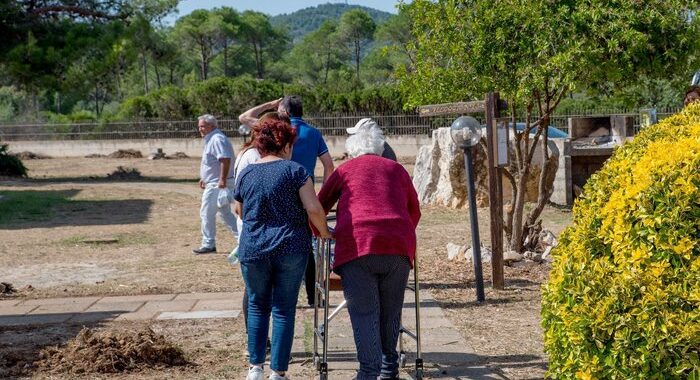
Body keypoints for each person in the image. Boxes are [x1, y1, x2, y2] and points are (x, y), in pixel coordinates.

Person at [317, 125, 421, 380]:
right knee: (390, 310)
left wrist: (324, 231)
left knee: (365, 312)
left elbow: (318, 207)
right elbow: (414, 209)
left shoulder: (345, 170)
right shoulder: (397, 169)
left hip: (358, 245)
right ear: (380, 148)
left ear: (352, 151)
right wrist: (400, 234)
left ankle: (368, 372)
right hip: (398, 246)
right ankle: (388, 369)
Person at [232, 117, 332, 380]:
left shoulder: (246, 173)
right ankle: (278, 371)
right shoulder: (296, 172)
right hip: (290, 247)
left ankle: (255, 368)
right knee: (283, 309)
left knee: (257, 305)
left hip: (253, 248)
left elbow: (239, 211)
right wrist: (324, 233)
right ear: (286, 144)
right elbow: (313, 208)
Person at [240, 95, 335, 307]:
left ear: (284, 112)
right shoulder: (313, 133)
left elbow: (244, 117)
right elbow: (329, 165)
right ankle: (315, 296)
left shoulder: (275, 130)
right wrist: (321, 196)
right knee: (307, 245)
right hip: (305, 193)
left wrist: (270, 104)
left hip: (275, 190)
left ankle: (267, 294)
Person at [192, 114, 237, 254]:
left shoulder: (217, 139)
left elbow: (224, 159)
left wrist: (221, 180)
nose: (200, 129)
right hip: (215, 182)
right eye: (199, 126)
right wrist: (204, 178)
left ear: (212, 126)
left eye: (203, 126)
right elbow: (212, 162)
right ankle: (242, 238)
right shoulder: (212, 138)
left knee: (206, 213)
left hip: (217, 184)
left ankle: (208, 243)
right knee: (225, 213)